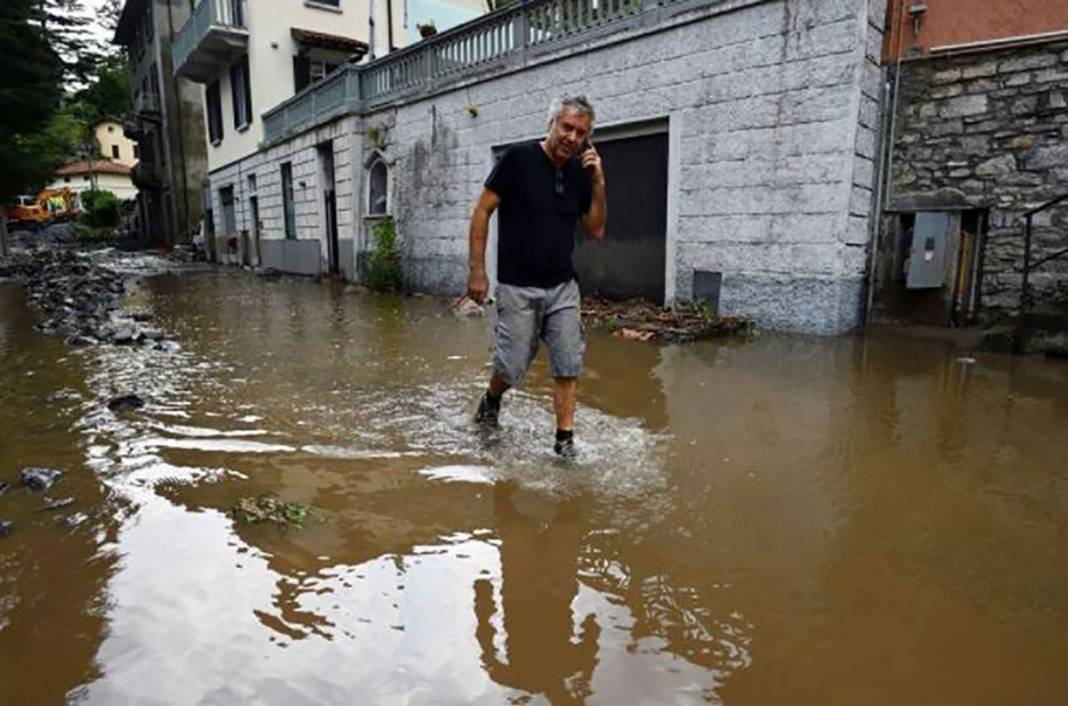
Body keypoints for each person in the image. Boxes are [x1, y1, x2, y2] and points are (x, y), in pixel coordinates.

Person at [465, 95, 607, 458]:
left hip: (563, 287)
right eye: (567, 127)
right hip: (517, 286)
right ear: (551, 124)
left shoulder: (580, 174)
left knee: (568, 363)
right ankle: (492, 398)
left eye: (581, 132)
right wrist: (478, 272)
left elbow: (596, 230)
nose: (573, 137)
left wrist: (598, 183)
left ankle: (564, 440)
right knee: (512, 367)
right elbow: (482, 211)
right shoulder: (517, 159)